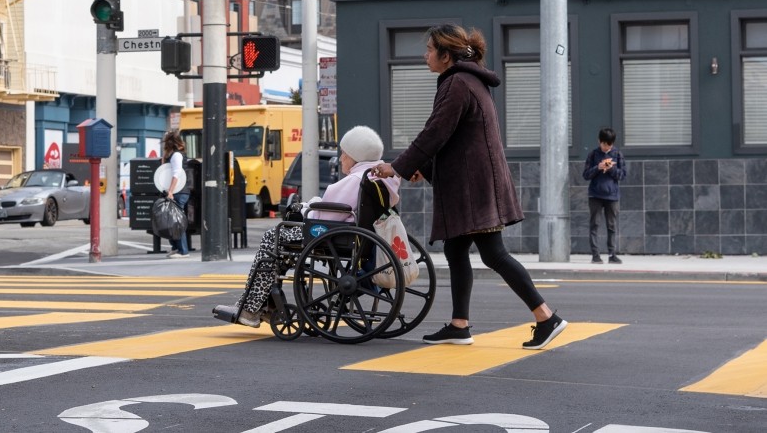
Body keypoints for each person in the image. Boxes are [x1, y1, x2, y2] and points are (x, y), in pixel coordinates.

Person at [372, 24, 568, 351]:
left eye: (430, 50)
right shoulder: (470, 80)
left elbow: (434, 133)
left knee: (494, 254)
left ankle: (546, 317)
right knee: (456, 249)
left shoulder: (457, 84)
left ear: (445, 56)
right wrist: (421, 166)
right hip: (476, 181)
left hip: (472, 186)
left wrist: (397, 167)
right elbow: (454, 139)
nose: (425, 55)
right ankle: (459, 325)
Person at [214, 125, 399, 327]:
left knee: (272, 236)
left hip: (333, 235)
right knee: (280, 245)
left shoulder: (354, 180)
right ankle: (265, 303)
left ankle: (251, 308)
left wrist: (304, 208)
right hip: (358, 235)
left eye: (344, 153)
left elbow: (325, 213)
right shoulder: (382, 178)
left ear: (355, 156)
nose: (342, 158)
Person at [583, 127, 626, 264]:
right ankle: (595, 255)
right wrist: (598, 167)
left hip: (612, 196)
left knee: (611, 226)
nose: (606, 147)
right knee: (594, 225)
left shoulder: (617, 154)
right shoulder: (593, 154)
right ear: (599, 141)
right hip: (595, 195)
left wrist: (611, 168)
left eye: (609, 144)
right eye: (604, 144)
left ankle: (612, 254)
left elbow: (622, 175)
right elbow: (586, 175)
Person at [161, 129, 191, 259]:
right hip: (177, 191)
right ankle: (177, 247)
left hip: (179, 191)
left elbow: (176, 174)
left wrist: (171, 191)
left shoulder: (177, 156)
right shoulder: (173, 155)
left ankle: (183, 250)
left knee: (177, 222)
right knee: (172, 221)